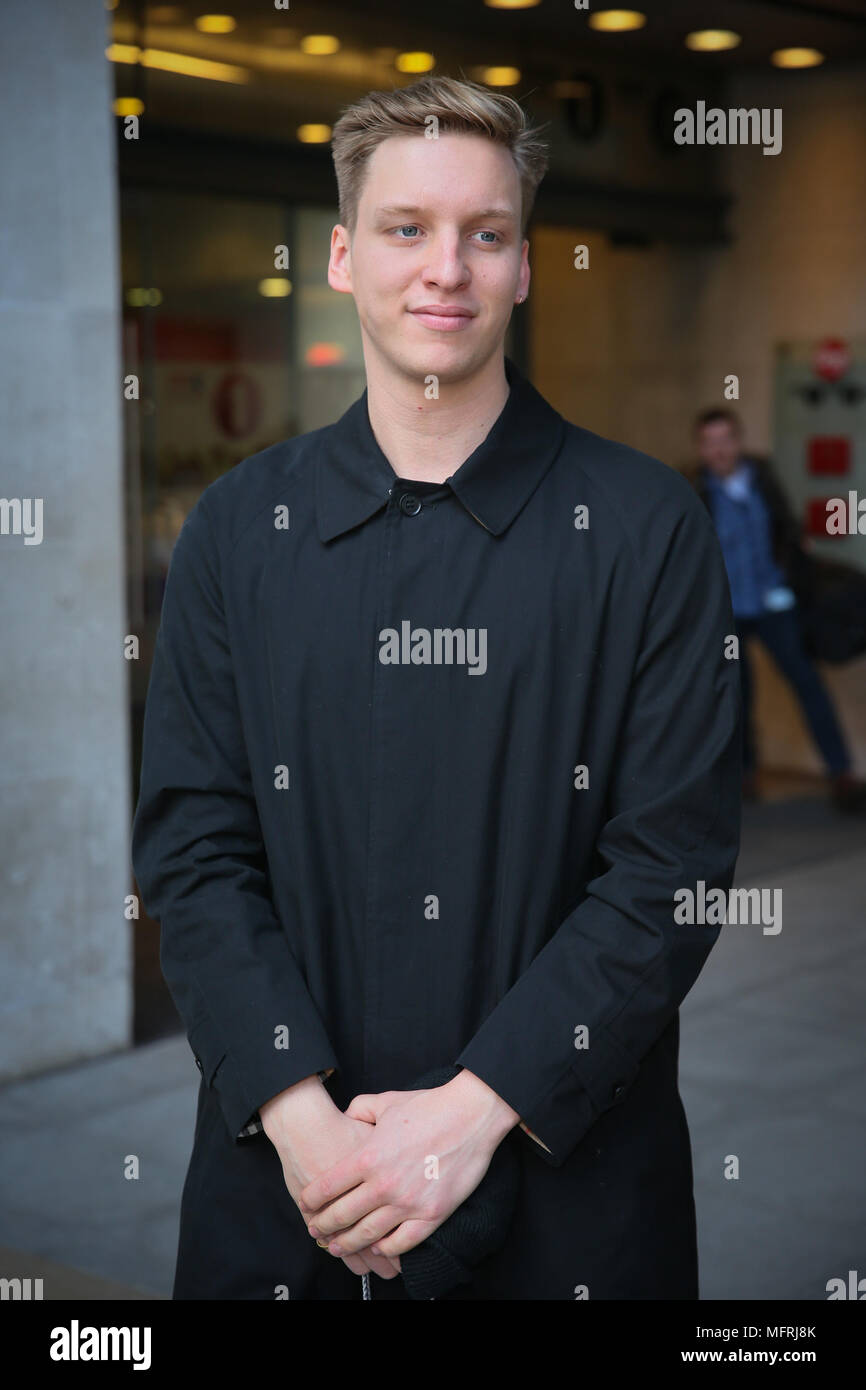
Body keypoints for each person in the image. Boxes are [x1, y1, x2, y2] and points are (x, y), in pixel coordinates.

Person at [131, 76, 741, 1301]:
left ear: (521, 267)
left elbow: (667, 867)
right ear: (343, 257)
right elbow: (194, 853)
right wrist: (309, 1129)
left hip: (568, 1198)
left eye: (486, 233)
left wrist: (466, 1118)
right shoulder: (240, 529)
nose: (444, 268)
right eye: (406, 228)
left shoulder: (642, 527)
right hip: (284, 1199)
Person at [691, 407, 866, 813]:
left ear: (738, 441)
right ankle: (745, 775)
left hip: (773, 603)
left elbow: (788, 529)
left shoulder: (763, 481)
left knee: (808, 682)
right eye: (709, 442)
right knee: (736, 693)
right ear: (701, 448)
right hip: (726, 608)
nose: (718, 450)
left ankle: (840, 772)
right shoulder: (695, 488)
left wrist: (790, 576)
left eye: (725, 440)